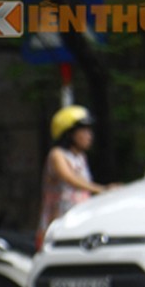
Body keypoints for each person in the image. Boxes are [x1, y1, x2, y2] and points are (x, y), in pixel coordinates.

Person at [37, 105, 114, 249]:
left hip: (79, 222)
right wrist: (102, 189)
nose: (89, 135)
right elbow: (70, 179)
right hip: (57, 225)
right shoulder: (57, 155)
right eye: (83, 130)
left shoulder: (80, 157)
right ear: (69, 133)